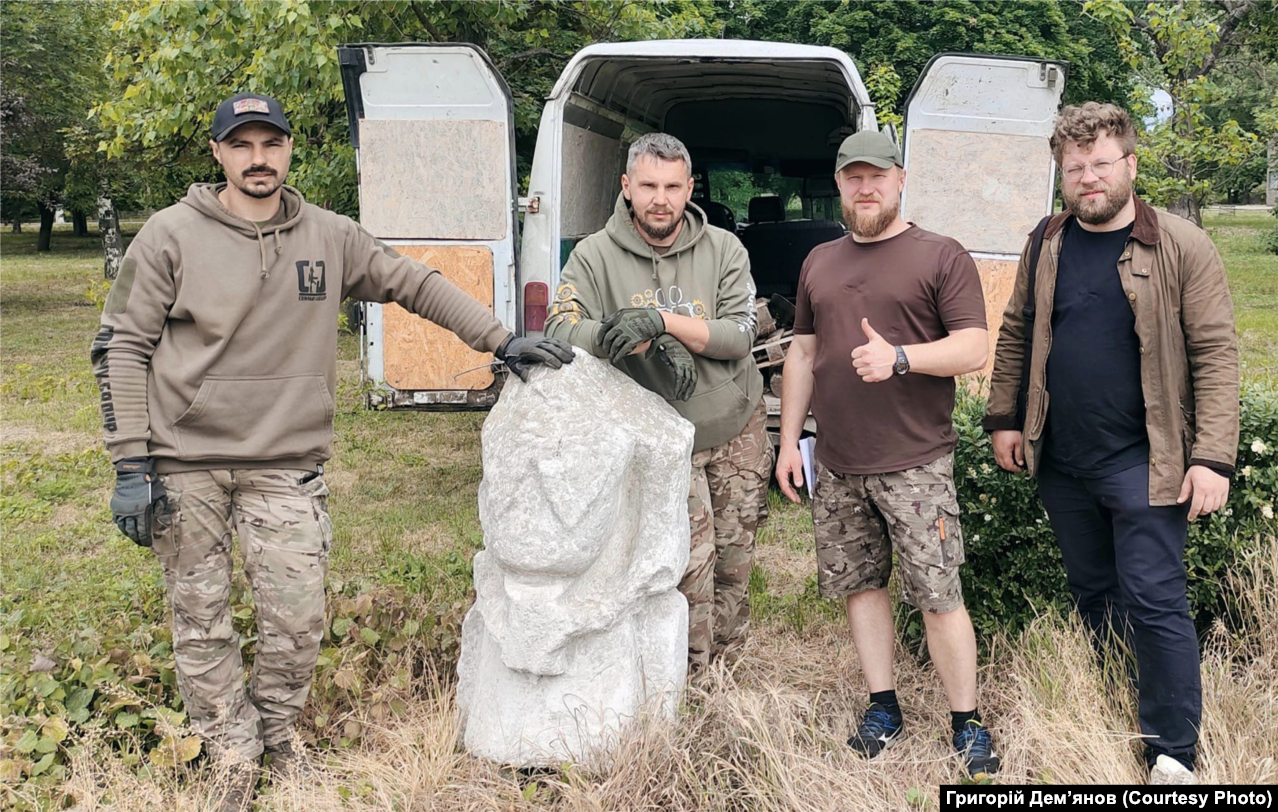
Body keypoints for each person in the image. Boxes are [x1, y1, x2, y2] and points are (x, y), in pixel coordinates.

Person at [92, 92, 573, 811]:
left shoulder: (330, 236)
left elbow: (415, 283)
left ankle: (279, 740)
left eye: (271, 144)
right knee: (201, 617)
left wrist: (499, 339)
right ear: (219, 154)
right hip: (183, 462)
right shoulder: (169, 237)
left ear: (288, 151)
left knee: (296, 617)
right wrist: (131, 463)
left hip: (285, 463)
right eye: (242, 145)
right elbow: (121, 348)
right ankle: (229, 750)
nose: (259, 159)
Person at [984, 102, 1239, 786]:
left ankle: (1174, 753)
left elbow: (1216, 353)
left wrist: (1212, 457)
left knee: (1155, 600)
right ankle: (1117, 703)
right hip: (1063, 459)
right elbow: (1015, 330)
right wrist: (1004, 418)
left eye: (1101, 164)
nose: (1088, 178)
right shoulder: (1046, 241)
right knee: (1094, 591)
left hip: (1146, 460)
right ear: (1062, 173)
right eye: (1075, 168)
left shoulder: (1181, 244)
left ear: (1129, 164)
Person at [775, 130, 998, 778]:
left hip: (916, 463)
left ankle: (966, 722)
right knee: (860, 588)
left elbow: (972, 347)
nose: (865, 187)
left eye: (878, 176)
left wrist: (901, 357)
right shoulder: (819, 261)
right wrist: (791, 441)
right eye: (853, 177)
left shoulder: (940, 255)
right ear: (839, 183)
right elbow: (803, 354)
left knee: (938, 595)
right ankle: (884, 707)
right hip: (840, 463)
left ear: (901, 180)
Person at [545, 132, 772, 675]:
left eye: (672, 186)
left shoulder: (724, 250)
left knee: (734, 564)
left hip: (737, 426)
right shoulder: (593, 256)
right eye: (648, 185)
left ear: (689, 187)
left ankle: (730, 670)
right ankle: (688, 677)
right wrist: (619, 336)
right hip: (663, 435)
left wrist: (666, 321)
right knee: (688, 564)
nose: (660, 199)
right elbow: (559, 326)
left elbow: (739, 335)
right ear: (627, 187)